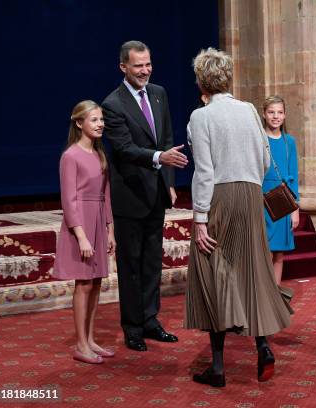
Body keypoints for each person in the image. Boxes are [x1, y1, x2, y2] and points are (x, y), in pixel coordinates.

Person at [185, 47, 292, 387]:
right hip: (251, 194)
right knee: (253, 270)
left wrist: (200, 218)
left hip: (219, 196)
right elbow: (263, 159)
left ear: (202, 80)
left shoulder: (201, 116)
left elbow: (203, 171)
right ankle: (262, 346)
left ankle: (217, 368)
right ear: (229, 77)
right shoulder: (248, 110)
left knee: (212, 271)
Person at [102, 40, 188, 352]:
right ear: (123, 67)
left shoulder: (159, 93)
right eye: (138, 65)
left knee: (152, 262)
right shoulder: (112, 104)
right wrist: (158, 159)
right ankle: (133, 326)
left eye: (148, 63)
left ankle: (151, 320)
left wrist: (168, 181)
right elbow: (124, 150)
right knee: (131, 265)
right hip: (130, 196)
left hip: (156, 195)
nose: (145, 70)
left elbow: (166, 138)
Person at [53, 100, 116, 364]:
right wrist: (81, 236)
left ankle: (90, 339)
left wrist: (110, 230)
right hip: (80, 226)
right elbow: (68, 200)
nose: (100, 124)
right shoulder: (70, 156)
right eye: (94, 120)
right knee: (84, 283)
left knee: (97, 281)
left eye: (101, 119)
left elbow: (106, 195)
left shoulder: (100, 154)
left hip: (99, 221)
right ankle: (80, 345)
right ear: (79, 123)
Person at [261, 96, 300, 285]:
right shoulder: (259, 139)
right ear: (264, 114)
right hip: (263, 198)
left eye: (279, 112)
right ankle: (264, 295)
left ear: (284, 115)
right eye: (271, 112)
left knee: (279, 253)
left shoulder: (289, 142)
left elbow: (294, 175)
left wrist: (295, 211)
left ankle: (276, 296)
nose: (275, 116)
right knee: (265, 251)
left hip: (283, 201)